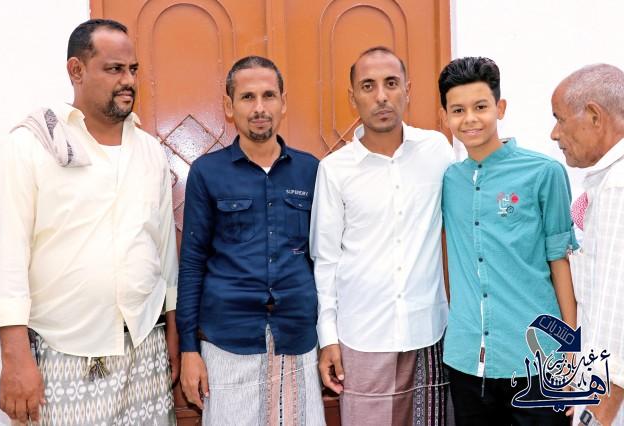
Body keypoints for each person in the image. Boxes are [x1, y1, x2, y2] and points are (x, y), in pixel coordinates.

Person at [0, 19, 179, 425]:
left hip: (145, 350)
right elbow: (6, 260)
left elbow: (164, 255)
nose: (128, 81)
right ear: (76, 70)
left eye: (133, 70)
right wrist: (15, 359)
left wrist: (173, 334)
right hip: (62, 356)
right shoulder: (31, 145)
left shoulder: (150, 152)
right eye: (114, 69)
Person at [177, 55, 325, 425]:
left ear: (283, 102)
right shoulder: (207, 173)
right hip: (227, 341)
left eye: (268, 95)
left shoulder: (311, 170)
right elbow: (192, 264)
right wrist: (188, 349)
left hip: (298, 337)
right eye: (247, 97)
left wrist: (330, 338)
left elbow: (325, 261)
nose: (259, 108)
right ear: (229, 107)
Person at [311, 46, 454, 425]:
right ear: (352, 97)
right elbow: (326, 261)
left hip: (429, 332)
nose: (381, 96)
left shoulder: (437, 151)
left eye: (391, 83)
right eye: (368, 86)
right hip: (362, 337)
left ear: (408, 90)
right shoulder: (335, 169)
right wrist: (328, 337)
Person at [438, 56, 577, 425]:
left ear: (500, 108)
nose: (470, 119)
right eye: (458, 110)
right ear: (445, 117)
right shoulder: (448, 181)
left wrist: (571, 353)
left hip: (537, 361)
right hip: (468, 361)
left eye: (480, 107)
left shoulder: (544, 173)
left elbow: (560, 262)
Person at [551, 64, 624, 426]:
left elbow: (615, 314)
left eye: (560, 119)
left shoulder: (617, 188)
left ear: (594, 116)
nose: (554, 133)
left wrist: (594, 418)